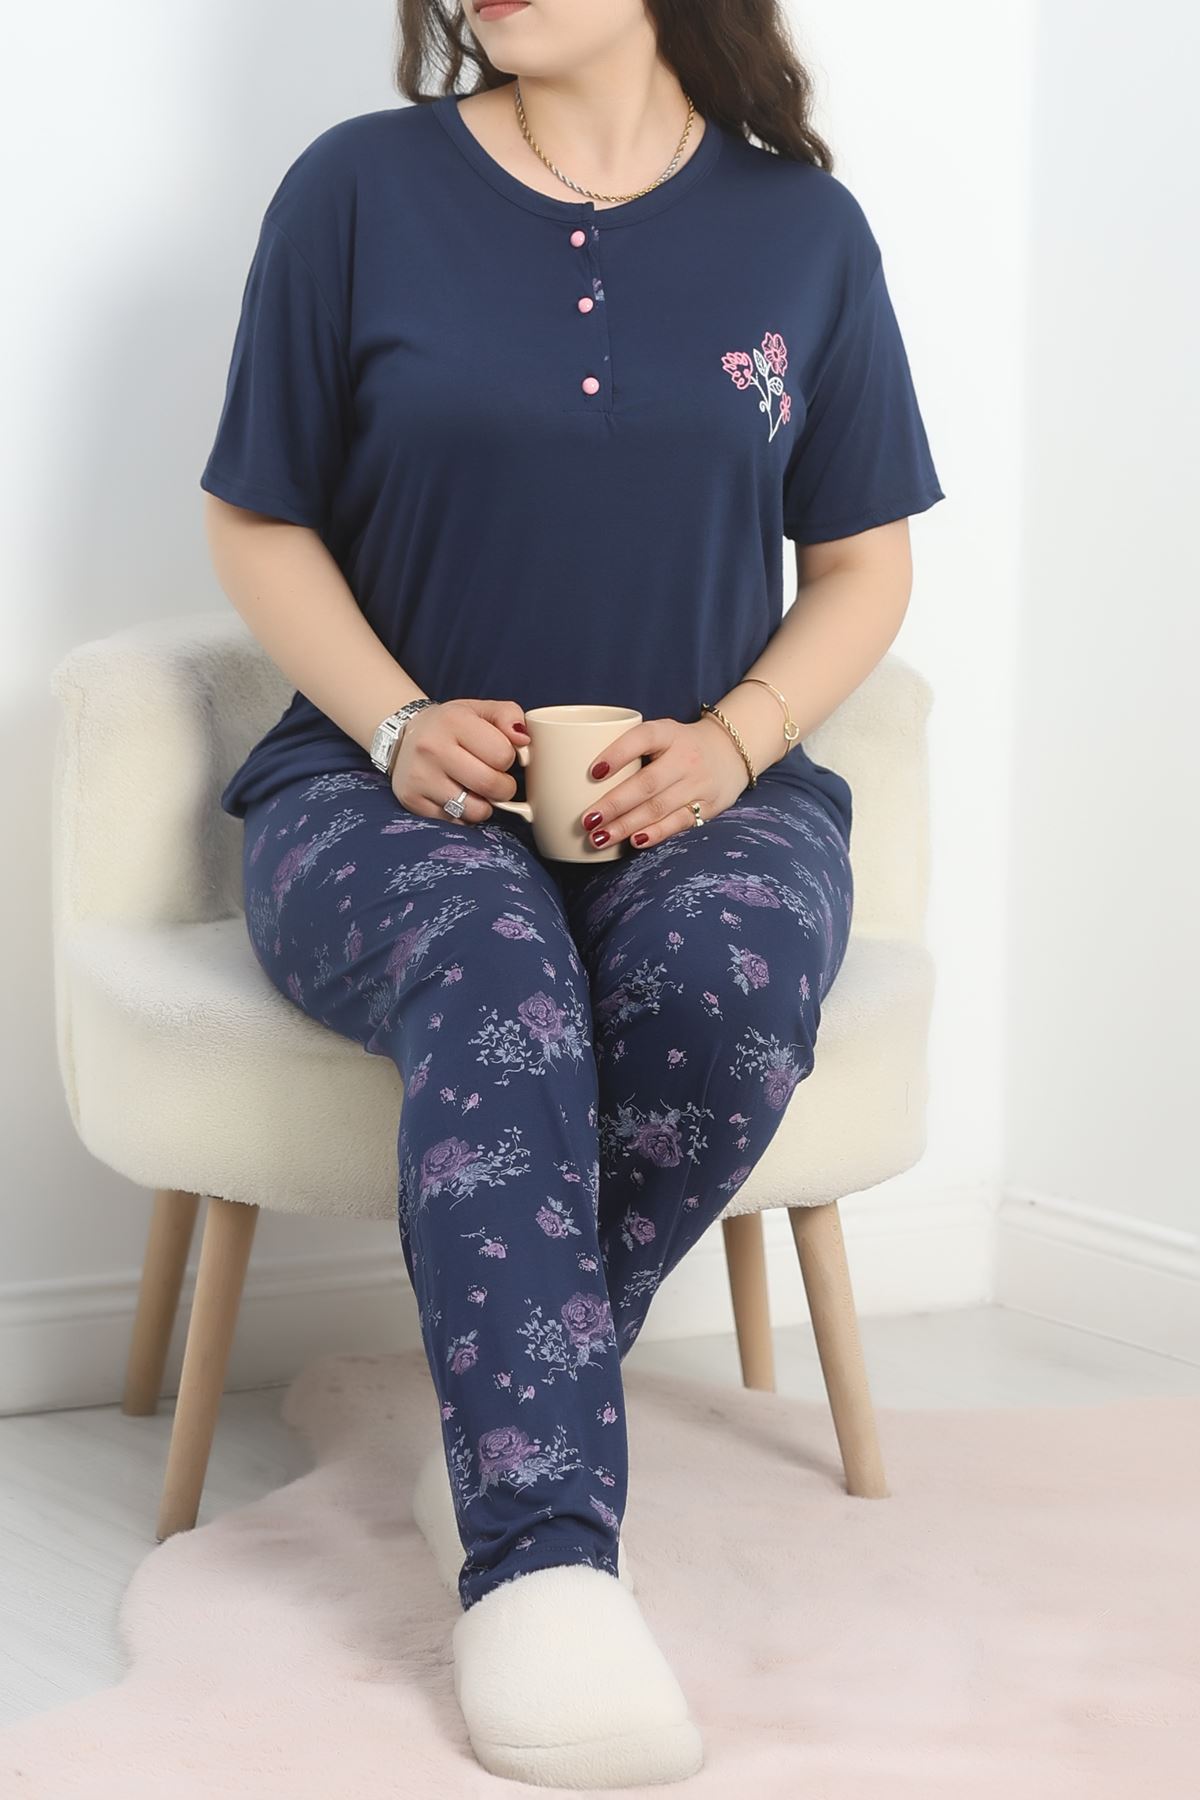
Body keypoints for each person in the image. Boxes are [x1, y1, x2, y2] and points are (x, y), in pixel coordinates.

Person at [199, 0, 944, 1786]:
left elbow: (862, 564)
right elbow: (258, 515)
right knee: (484, 954)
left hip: (701, 787)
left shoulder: (805, 232)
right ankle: (540, 1569)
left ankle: (490, 1407)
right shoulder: (358, 190)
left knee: (732, 979)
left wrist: (737, 743)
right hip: (379, 787)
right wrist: (394, 722)